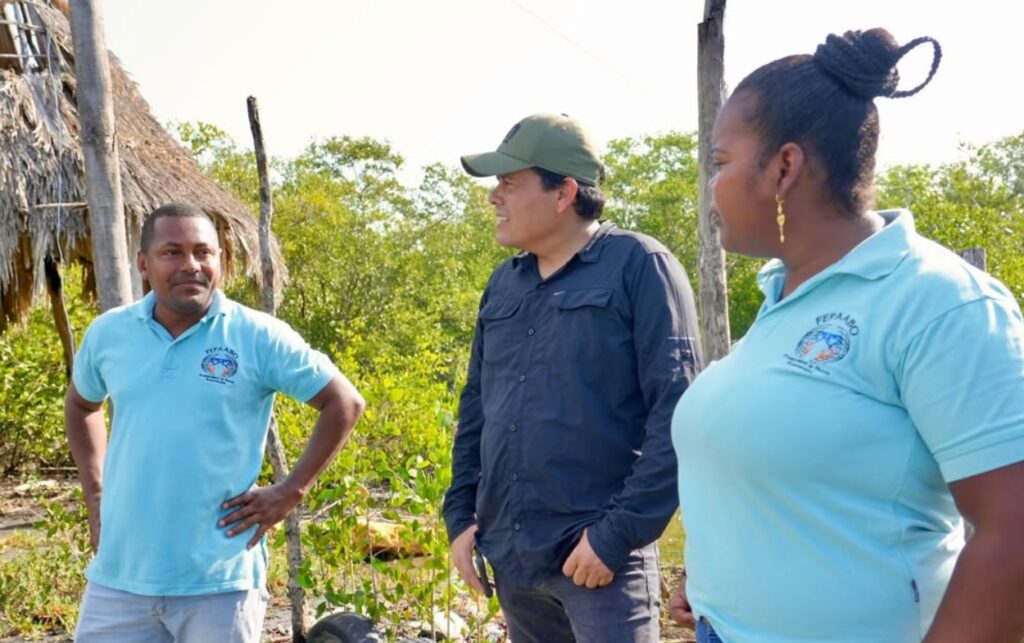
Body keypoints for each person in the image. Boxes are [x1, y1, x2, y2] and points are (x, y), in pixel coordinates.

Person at [669, 28, 1024, 643]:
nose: (710, 189)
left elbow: (1014, 532)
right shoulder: (784, 297)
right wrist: (719, 572)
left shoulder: (938, 303)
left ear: (784, 167)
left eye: (719, 164)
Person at [442, 112, 703, 642]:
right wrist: (460, 516)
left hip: (598, 564)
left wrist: (614, 537)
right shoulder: (505, 284)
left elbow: (680, 415)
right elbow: (477, 408)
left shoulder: (640, 266)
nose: (495, 197)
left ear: (563, 192)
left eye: (509, 184)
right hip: (513, 557)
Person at [66, 203, 365, 642]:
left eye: (203, 252)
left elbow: (345, 402)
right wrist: (95, 495)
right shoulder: (109, 333)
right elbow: (81, 406)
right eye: (172, 252)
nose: (191, 265)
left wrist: (290, 491)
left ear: (220, 260)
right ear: (144, 264)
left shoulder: (257, 335)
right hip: (119, 577)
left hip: (219, 583)